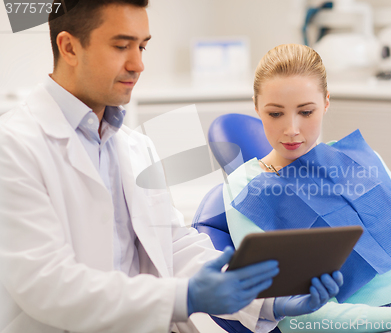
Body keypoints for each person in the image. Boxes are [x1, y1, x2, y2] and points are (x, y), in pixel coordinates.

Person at [0, 3, 343, 333]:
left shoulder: (134, 146)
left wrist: (269, 300)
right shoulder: (14, 146)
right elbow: (46, 283)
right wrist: (185, 296)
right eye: (122, 46)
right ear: (69, 48)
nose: (138, 64)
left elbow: (173, 247)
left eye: (143, 47)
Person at [222, 44, 391, 333]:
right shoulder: (246, 188)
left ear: (326, 102)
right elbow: (289, 315)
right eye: (276, 114)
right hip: (364, 325)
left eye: (306, 111)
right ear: (256, 106)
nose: (292, 129)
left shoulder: (360, 159)